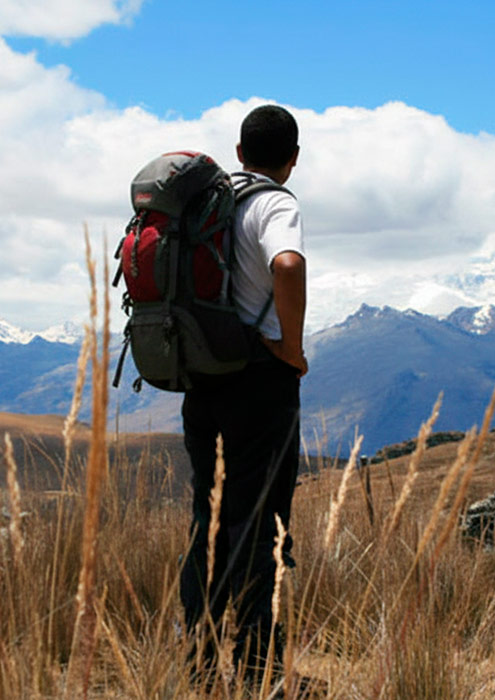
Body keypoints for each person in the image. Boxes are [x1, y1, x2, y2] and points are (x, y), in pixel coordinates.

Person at [179, 104, 307, 681]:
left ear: (238, 153)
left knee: (208, 519)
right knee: (261, 524)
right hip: (261, 381)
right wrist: (293, 347)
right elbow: (286, 263)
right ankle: (260, 676)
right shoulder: (275, 202)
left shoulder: (208, 202)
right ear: (293, 159)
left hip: (202, 376)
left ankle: (199, 670)